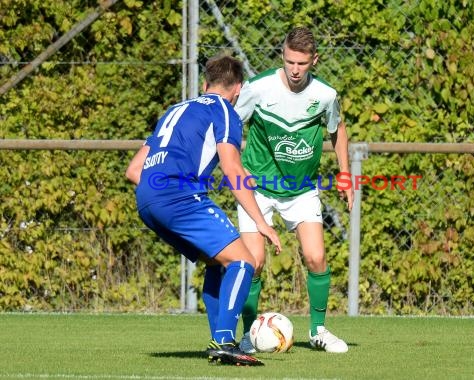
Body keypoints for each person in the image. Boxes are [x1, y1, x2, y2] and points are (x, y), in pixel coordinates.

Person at [125, 54, 282, 366]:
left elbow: (133, 170)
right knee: (243, 261)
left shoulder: (175, 109)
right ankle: (225, 339)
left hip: (146, 198)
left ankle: (222, 342)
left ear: (205, 84)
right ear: (238, 89)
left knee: (217, 262)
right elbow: (232, 169)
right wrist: (261, 222)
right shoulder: (225, 111)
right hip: (179, 194)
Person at [234, 26, 354, 354]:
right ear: (282, 56)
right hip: (257, 188)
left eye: (302, 63)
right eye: (289, 62)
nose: (295, 70)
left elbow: (338, 128)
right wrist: (238, 170)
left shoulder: (325, 95)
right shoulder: (258, 89)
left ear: (314, 60)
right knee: (253, 262)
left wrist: (344, 174)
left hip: (301, 190)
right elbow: (230, 127)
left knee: (316, 257)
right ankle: (250, 334)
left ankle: (317, 331)